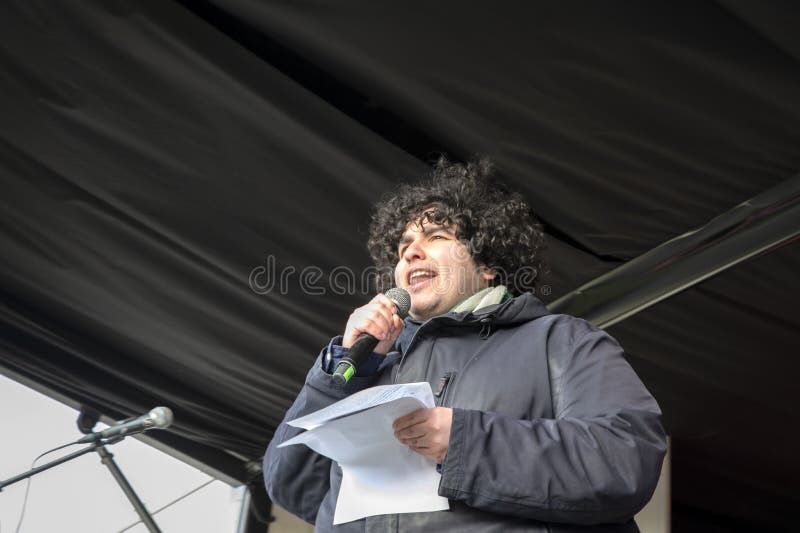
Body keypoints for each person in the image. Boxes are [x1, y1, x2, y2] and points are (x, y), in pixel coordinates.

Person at [264, 157, 666, 532]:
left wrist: (466, 444)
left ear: (488, 263)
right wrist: (339, 374)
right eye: (402, 247)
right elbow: (293, 485)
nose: (409, 253)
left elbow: (623, 459)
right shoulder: (370, 364)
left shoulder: (559, 340)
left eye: (435, 236)